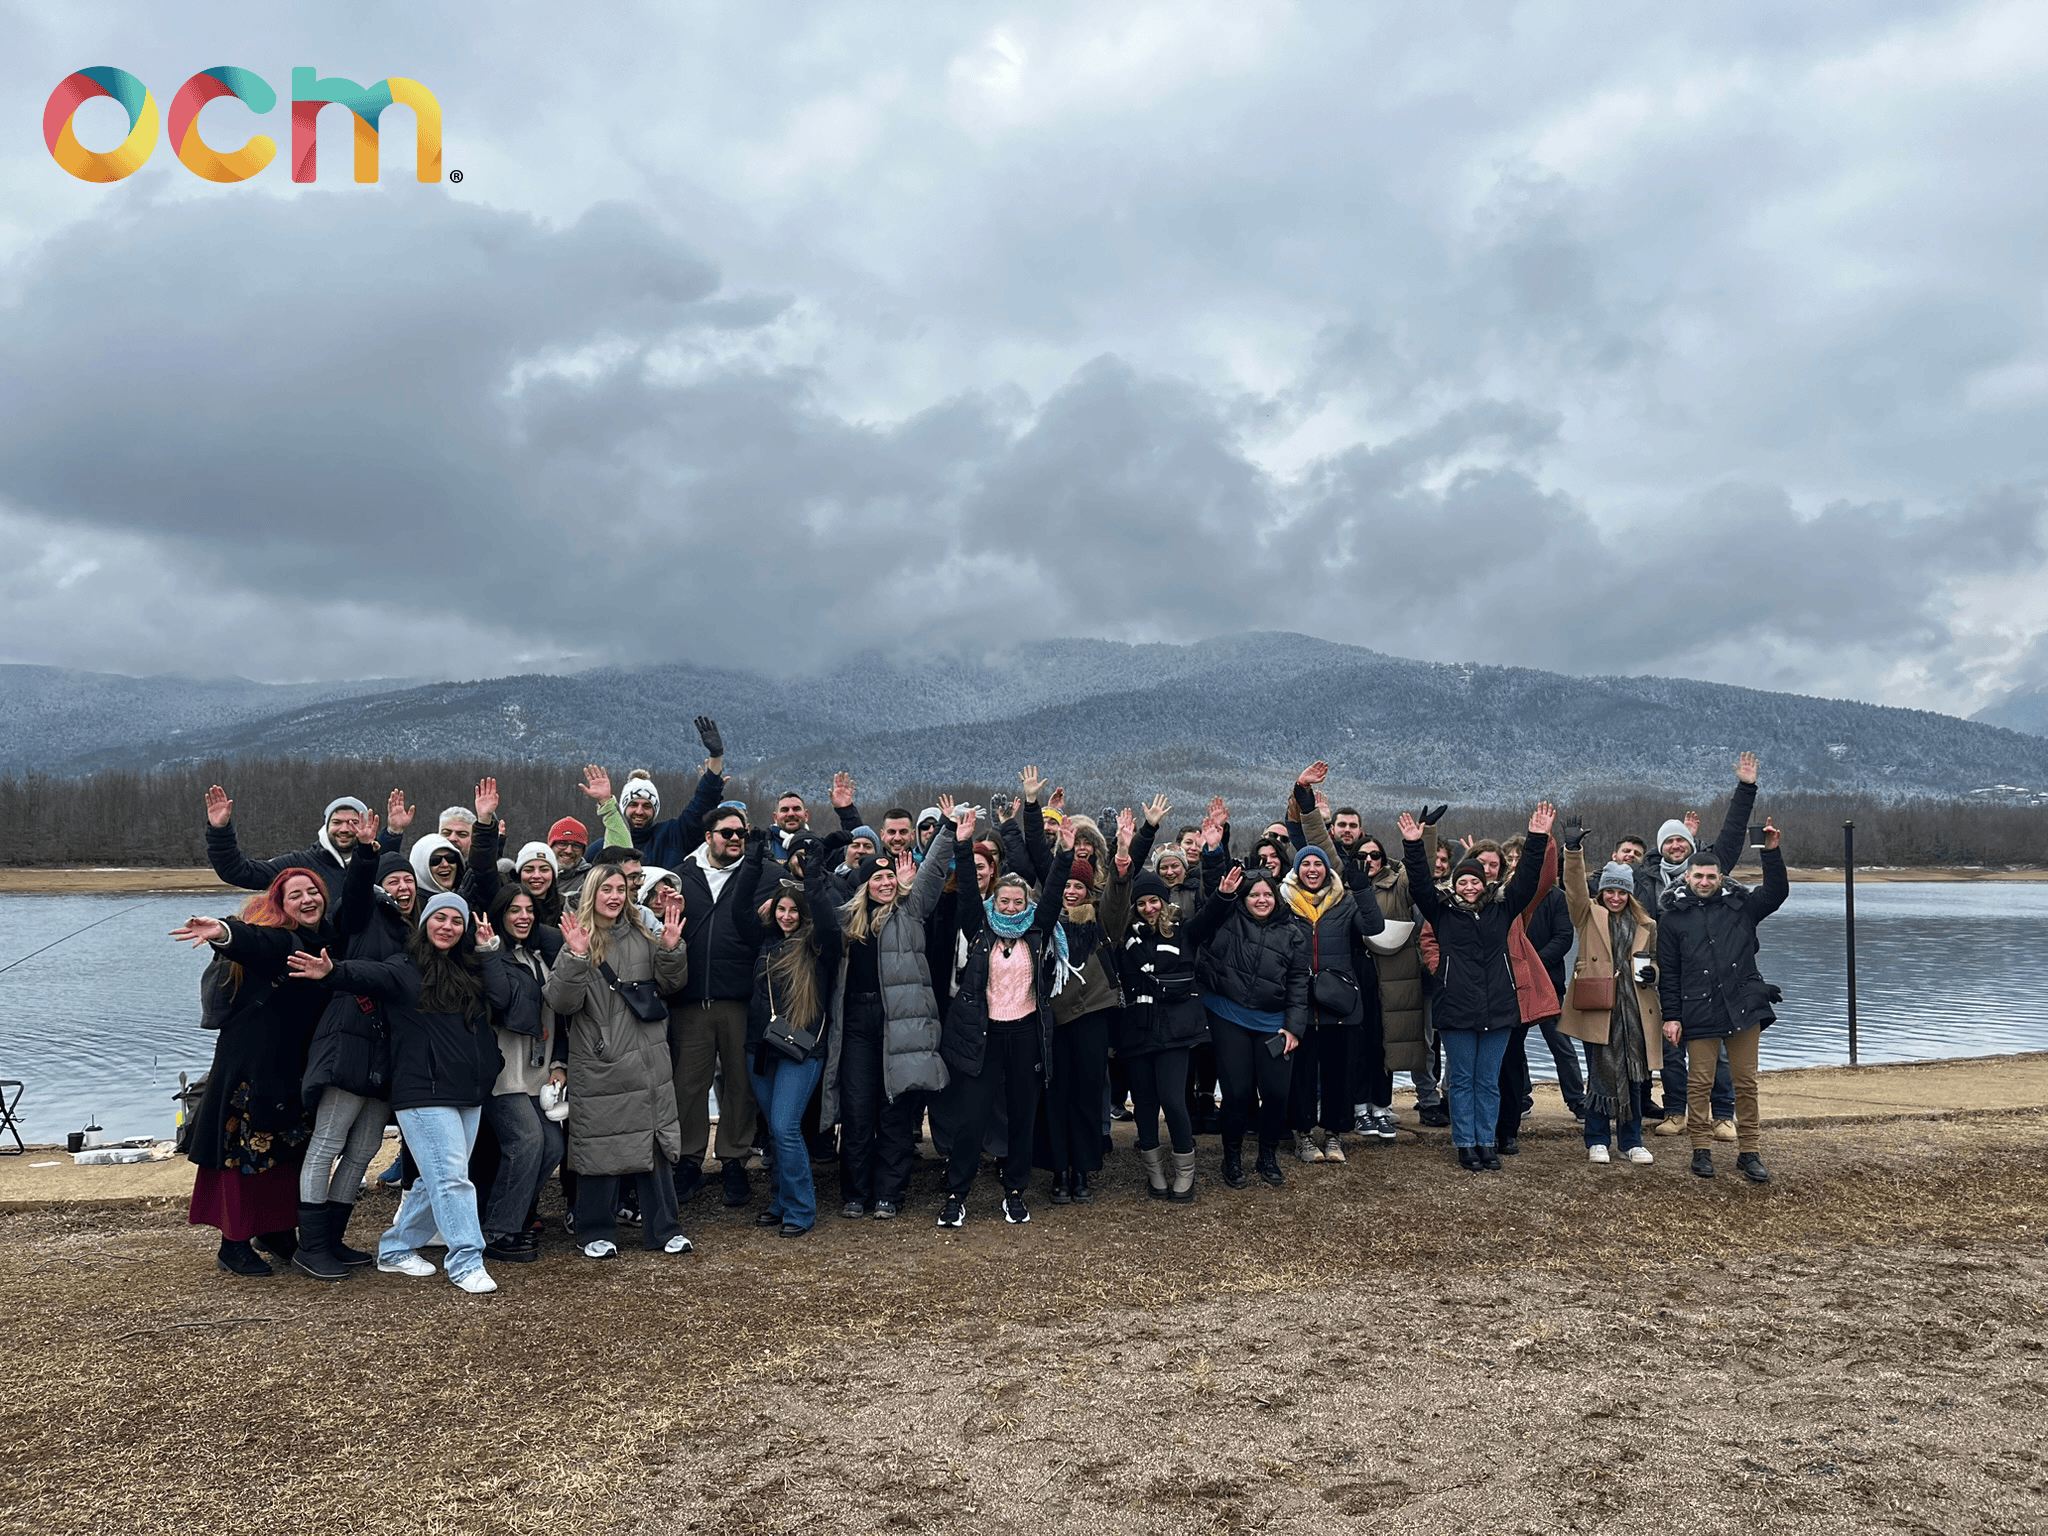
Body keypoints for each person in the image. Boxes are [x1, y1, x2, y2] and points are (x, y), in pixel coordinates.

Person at [289, 890, 512, 1294]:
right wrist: (332, 971)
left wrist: (487, 950)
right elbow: (366, 974)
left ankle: (395, 1249)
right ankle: (466, 1260)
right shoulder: (404, 968)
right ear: (425, 923)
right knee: (452, 1179)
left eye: (456, 921)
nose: (447, 927)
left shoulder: (469, 969)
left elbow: (501, 998)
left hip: (468, 1091)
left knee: (436, 1178)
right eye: (440, 918)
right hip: (423, 1092)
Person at [172, 867, 334, 1277]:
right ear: (280, 905)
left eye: (313, 891)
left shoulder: (322, 938)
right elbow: (252, 942)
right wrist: (224, 932)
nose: (307, 899)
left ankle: (276, 1230)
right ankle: (234, 1244)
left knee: (286, 1151)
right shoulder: (279, 940)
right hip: (252, 1064)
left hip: (290, 1065)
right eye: (295, 895)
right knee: (243, 1154)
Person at [545, 869, 696, 1254]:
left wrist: (671, 949)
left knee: (654, 1143)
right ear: (591, 894)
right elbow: (562, 1002)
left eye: (621, 889)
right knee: (600, 1144)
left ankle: (665, 1230)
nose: (614, 896)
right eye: (606, 889)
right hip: (601, 1061)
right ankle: (596, 1232)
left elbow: (671, 984)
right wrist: (576, 956)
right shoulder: (578, 939)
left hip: (647, 1057)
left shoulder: (644, 935)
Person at [1400, 802, 1553, 1172]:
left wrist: (1537, 838)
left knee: (1488, 1082)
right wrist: (1413, 845)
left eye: (1475, 881)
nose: (1469, 887)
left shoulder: (1503, 909)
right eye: (1462, 881)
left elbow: (1528, 879)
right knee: (1462, 1081)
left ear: (1485, 884)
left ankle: (1487, 1142)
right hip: (1456, 1009)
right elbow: (1419, 885)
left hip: (1499, 1009)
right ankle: (1465, 1144)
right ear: (1454, 885)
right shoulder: (1442, 912)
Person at [939, 806, 1067, 1227]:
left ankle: (1014, 1191)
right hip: (985, 1034)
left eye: (1018, 902)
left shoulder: (1037, 929)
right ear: (995, 900)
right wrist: (962, 844)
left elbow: (1053, 891)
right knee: (971, 1118)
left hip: (1026, 1033)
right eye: (1005, 901)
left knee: (1021, 1117)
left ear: (1027, 905)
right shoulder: (979, 926)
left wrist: (1065, 854)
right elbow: (968, 890)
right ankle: (956, 1194)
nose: (1011, 908)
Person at [292, 821, 406, 1281]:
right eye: (393, 880)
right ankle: (311, 1246)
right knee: (328, 1141)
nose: (402, 888)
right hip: (349, 1036)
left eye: (409, 881)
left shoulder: (411, 929)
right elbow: (357, 889)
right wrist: (366, 853)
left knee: (365, 1147)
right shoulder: (362, 911)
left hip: (385, 1048)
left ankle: (333, 1238)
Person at [831, 811, 958, 1219]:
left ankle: (889, 1191)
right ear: (865, 884)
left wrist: (947, 829)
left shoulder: (910, 911)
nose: (885, 883)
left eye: (891, 877)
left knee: (895, 1110)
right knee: (857, 1109)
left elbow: (933, 873)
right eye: (878, 878)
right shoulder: (847, 922)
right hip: (856, 1023)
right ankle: (855, 1192)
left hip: (899, 1022)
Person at [1658, 820, 1788, 1183]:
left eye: (1710, 876)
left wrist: (1771, 853)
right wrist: (1672, 1017)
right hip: (1698, 1009)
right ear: (1687, 877)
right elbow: (1670, 974)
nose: (1704, 882)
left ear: (1720, 878)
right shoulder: (1671, 920)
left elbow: (1776, 893)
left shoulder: (1742, 907)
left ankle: (1750, 1152)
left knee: (1746, 1083)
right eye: (1698, 876)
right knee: (1699, 1083)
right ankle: (1701, 1149)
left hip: (1743, 1007)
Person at [1189, 803, 1310, 1191]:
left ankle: (1268, 1155)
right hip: (1229, 1015)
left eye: (1266, 894)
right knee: (1238, 1092)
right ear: (1244, 899)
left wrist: (1294, 1028)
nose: (1260, 899)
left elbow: (1298, 984)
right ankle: (1232, 1156)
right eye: (1253, 894)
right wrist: (1213, 849)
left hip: (1274, 1021)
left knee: (1275, 1093)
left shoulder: (1292, 932)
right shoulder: (1228, 917)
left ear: (1276, 897)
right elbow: (1217, 889)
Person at [731, 829, 843, 1236]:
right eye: (781, 909)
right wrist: (752, 858)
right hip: (760, 1047)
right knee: (775, 1131)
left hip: (801, 1050)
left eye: (794, 910)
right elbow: (738, 909)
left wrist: (813, 871)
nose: (787, 916)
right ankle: (780, 1200)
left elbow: (825, 917)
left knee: (785, 1127)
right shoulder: (764, 941)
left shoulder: (820, 946)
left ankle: (800, 1208)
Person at [1642, 755, 1760, 1139]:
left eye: (1682, 840)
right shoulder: (1645, 880)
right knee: (1672, 1048)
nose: (1676, 845)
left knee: (1720, 1051)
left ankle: (1723, 1115)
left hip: (1713, 976)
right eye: (1669, 841)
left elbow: (1733, 833)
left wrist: (1745, 788)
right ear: (1661, 848)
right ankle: (1676, 1112)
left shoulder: (1709, 872)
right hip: (1667, 975)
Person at [668, 802, 765, 1207]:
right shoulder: (681, 876)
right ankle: (688, 1160)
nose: (735, 839)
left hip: (740, 998)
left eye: (741, 833)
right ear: (709, 837)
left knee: (740, 1086)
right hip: (690, 999)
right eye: (727, 833)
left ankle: (734, 1160)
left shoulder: (759, 874)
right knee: (687, 1086)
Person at [1039, 812, 1135, 1204]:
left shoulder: (1100, 921)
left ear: (1088, 888)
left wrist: (1123, 852)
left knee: (1086, 1096)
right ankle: (1059, 1170)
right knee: (1056, 1097)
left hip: (1091, 1018)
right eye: (1065, 884)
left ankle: (1082, 1171)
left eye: (1078, 885)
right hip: (1053, 1020)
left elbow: (1118, 898)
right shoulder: (1043, 922)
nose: (1071, 891)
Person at [1558, 826, 1664, 1164]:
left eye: (1621, 892)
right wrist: (1573, 850)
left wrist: (1654, 973)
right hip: (1598, 1006)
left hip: (1635, 1010)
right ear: (1602, 892)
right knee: (1599, 1076)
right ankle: (1598, 1140)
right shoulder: (1588, 915)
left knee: (1635, 1077)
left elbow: (1656, 962)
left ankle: (1631, 1141)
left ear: (1630, 894)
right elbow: (1575, 888)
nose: (1615, 897)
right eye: (1610, 891)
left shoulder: (1647, 924)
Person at [1279, 841, 1385, 1164]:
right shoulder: (1284, 903)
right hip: (1298, 1002)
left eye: (1318, 864)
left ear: (1327, 869)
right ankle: (1304, 1135)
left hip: (1339, 1002)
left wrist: (1362, 889)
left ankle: (1334, 1134)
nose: (1312, 869)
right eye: (1306, 864)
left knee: (1339, 1074)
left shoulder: (1345, 901)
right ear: (1297, 869)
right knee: (1301, 1074)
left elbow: (1374, 927)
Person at [479, 882, 566, 1263]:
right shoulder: (489, 955)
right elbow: (499, 1002)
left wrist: (559, 1064)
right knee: (526, 1141)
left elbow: (558, 1016)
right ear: (501, 914)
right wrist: (487, 952)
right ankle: (498, 1231)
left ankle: (518, 1214)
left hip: (538, 1072)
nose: (524, 916)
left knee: (553, 1146)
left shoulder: (538, 955)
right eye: (514, 910)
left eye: (529, 910)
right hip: (504, 1072)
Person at [1114, 868, 1209, 1201]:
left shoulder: (1183, 932)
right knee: (1144, 1103)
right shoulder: (1124, 938)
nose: (1149, 908)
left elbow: (1212, 916)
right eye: (1141, 903)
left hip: (1173, 1030)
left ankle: (1185, 1169)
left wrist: (1223, 889)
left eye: (1154, 900)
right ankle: (1154, 1171)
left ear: (1164, 901)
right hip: (1136, 1030)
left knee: (1172, 1099)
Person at [202, 785, 379, 925]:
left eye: (353, 822)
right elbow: (239, 872)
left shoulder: (379, 863)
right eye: (337, 822)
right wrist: (220, 831)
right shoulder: (299, 863)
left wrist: (392, 832)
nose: (344, 829)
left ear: (366, 825)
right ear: (326, 826)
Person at [610, 716, 730, 865]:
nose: (639, 811)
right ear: (623, 807)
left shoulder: (672, 836)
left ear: (655, 810)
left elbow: (700, 807)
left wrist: (716, 757)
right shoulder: (605, 847)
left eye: (647, 806)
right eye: (633, 805)